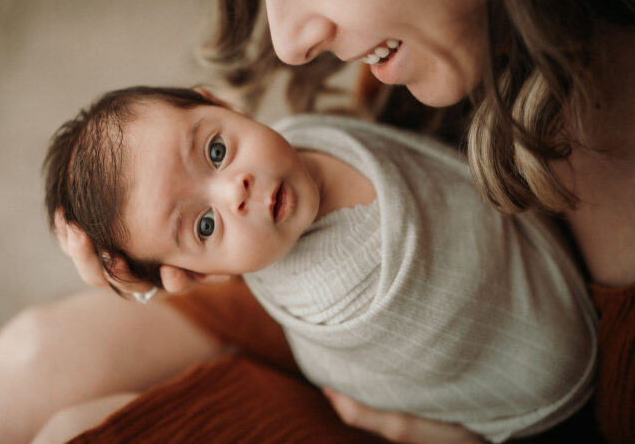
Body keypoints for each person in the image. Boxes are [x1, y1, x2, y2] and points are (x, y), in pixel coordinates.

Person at [0, 0, 635, 443]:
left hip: (474, 412)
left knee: (77, 431)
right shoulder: (411, 51)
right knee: (37, 351)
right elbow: (299, 228)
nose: (286, 41)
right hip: (333, 337)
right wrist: (160, 255)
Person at [42, 84, 596, 443]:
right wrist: (136, 283)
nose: (237, 188)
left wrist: (148, 277)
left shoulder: (301, 138)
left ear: (221, 101)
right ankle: (400, 423)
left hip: (544, 273)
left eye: (216, 151)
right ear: (200, 276)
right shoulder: (338, 287)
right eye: (205, 226)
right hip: (531, 402)